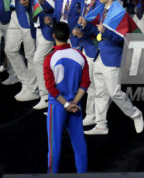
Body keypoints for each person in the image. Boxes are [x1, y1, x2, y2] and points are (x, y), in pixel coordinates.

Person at [83, 0, 144, 135]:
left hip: (112, 58)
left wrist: (105, 32)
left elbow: (121, 37)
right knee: (100, 92)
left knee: (115, 93)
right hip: (99, 56)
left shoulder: (119, 13)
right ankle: (101, 124)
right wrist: (86, 25)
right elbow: (96, 29)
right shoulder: (102, 11)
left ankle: (136, 114)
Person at [44, 22, 90, 174]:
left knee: (54, 145)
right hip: (76, 105)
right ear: (69, 36)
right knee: (79, 144)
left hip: (57, 105)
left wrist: (65, 104)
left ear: (53, 36)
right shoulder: (80, 56)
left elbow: (50, 87)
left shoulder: (49, 58)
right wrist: (75, 102)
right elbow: (85, 83)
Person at [4, 0, 40, 102]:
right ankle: (27, 83)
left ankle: (33, 89)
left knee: (30, 54)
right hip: (15, 13)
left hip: (27, 16)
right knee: (10, 49)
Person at [28, 0, 58, 110]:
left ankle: (45, 96)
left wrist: (42, 2)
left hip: (48, 28)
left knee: (38, 59)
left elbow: (55, 7)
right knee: (44, 62)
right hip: (38, 26)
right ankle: (50, 96)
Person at [72, 0, 101, 126]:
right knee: (91, 83)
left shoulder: (99, 4)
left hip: (96, 47)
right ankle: (93, 114)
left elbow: (101, 27)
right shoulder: (84, 2)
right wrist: (77, 29)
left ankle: (93, 115)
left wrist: (85, 32)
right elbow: (81, 20)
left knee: (94, 83)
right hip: (86, 46)